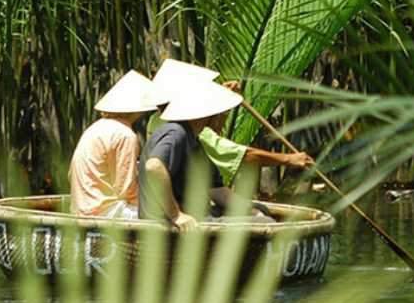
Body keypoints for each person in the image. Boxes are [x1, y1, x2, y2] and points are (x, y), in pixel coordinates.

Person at [149, 59, 313, 186]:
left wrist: (222, 101)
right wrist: (289, 159)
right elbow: (243, 156)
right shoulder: (182, 129)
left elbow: (214, 129)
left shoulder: (160, 121)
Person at [139, 80, 245, 230]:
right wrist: (176, 215)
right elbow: (154, 167)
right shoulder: (176, 132)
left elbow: (217, 190)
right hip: (169, 226)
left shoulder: (195, 143)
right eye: (220, 113)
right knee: (265, 221)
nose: (223, 117)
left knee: (262, 215)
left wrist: (252, 210)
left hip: (200, 216)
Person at [68, 70, 160, 219]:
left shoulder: (96, 127)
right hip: (104, 210)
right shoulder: (125, 135)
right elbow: (126, 189)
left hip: (83, 206)